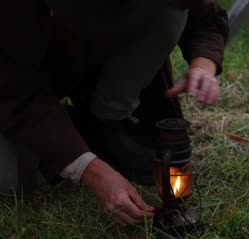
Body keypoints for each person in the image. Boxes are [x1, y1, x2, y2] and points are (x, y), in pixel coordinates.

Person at [0, 0, 229, 226]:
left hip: (77, 67)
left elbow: (204, 15)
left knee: (170, 13)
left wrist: (203, 65)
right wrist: (91, 171)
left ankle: (105, 124)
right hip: (15, 78)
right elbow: (14, 93)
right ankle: (70, 135)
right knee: (8, 181)